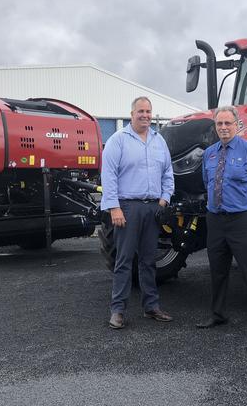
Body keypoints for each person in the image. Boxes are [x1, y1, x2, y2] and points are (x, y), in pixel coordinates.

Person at [196, 106, 247, 338]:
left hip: (242, 220)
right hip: (216, 220)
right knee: (218, 270)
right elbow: (206, 182)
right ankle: (218, 314)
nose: (223, 128)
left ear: (237, 125)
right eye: (219, 124)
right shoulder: (209, 154)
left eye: (228, 124)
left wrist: (245, 206)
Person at [101, 96, 175, 330]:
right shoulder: (118, 140)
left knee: (148, 261)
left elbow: (167, 173)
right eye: (141, 111)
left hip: (153, 208)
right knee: (123, 261)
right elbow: (109, 175)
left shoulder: (158, 140)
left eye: (148, 111)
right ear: (131, 113)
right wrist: (114, 207)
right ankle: (118, 310)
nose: (145, 115)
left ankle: (151, 306)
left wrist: (164, 200)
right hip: (127, 208)